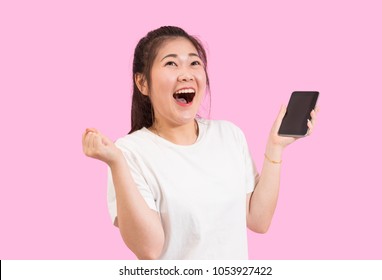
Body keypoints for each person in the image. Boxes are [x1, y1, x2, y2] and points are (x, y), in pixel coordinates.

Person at [82, 26, 318, 260]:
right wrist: (116, 163)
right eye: (171, 64)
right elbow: (149, 249)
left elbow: (258, 220)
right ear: (143, 83)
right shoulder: (129, 152)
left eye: (194, 63)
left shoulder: (229, 135)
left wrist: (275, 147)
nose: (186, 74)